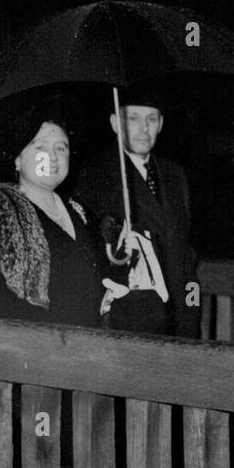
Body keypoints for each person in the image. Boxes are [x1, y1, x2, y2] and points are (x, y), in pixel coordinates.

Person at [0, 101, 106, 327]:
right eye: (40, 147)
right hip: (32, 349)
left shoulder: (80, 213)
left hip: (87, 347)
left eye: (61, 148)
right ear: (17, 159)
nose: (52, 157)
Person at [73, 87, 200, 337]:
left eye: (151, 119)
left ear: (161, 124)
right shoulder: (95, 175)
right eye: (133, 118)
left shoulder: (175, 174)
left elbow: (184, 250)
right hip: (130, 316)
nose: (144, 128)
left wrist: (191, 314)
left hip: (179, 318)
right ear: (114, 123)